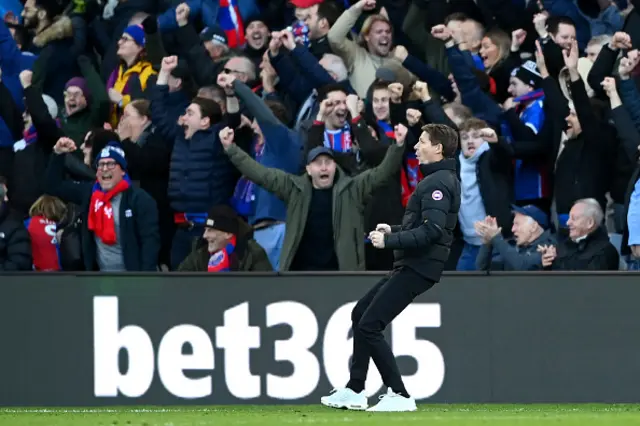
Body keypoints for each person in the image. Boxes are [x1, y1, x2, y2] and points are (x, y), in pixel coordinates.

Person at [320, 124, 460, 412]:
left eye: (422, 142)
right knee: (360, 314)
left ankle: (399, 394)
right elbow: (427, 226)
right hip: (413, 264)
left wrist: (390, 240)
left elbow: (433, 231)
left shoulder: (436, 183)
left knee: (370, 324)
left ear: (438, 149)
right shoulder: (439, 179)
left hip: (419, 267)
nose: (416, 146)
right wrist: (393, 228)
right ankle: (356, 389)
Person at [217, 123, 405, 271]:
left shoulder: (352, 188)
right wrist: (231, 149)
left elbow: (382, 172)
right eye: (317, 163)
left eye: (328, 162)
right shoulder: (293, 188)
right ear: (308, 169)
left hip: (343, 274)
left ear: (334, 167)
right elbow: (260, 174)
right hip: (301, 273)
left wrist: (398, 146)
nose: (323, 167)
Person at [44, 138, 160, 271]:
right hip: (98, 278)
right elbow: (52, 186)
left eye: (111, 164)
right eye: (100, 164)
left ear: (122, 170)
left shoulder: (140, 199)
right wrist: (58, 154)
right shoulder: (90, 193)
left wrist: (145, 281)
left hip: (132, 279)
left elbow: (150, 244)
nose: (105, 169)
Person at [178, 205, 272, 272]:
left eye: (211, 230)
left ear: (228, 234)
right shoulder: (200, 254)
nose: (205, 235)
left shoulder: (252, 254)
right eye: (205, 230)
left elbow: (267, 287)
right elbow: (179, 282)